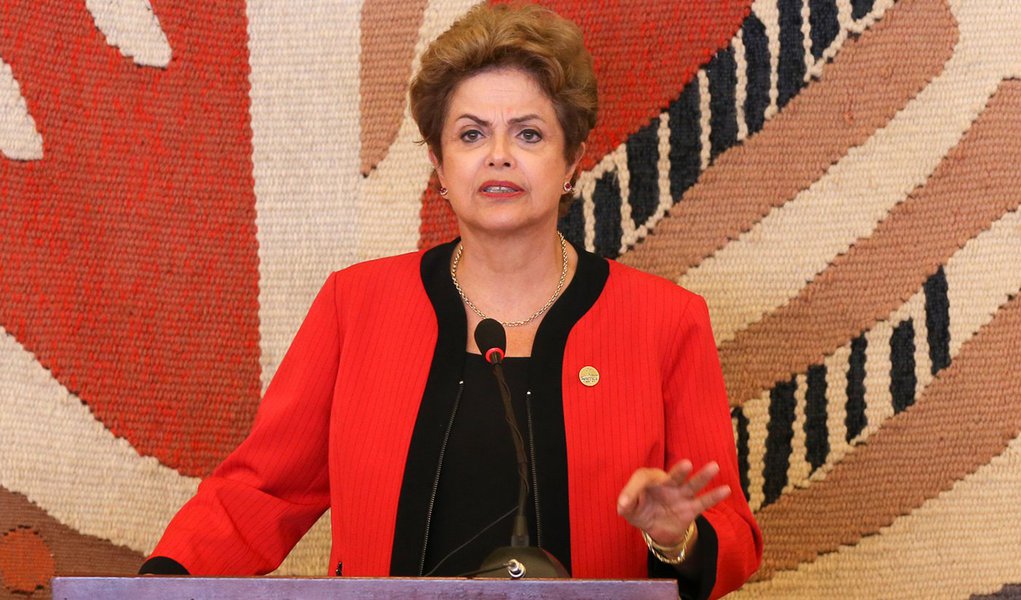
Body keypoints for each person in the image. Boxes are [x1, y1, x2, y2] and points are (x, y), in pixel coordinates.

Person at [141, 4, 762, 598]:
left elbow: (732, 536)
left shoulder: (665, 322)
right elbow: (260, 495)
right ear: (439, 163)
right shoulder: (354, 308)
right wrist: (153, 588)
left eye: (528, 133)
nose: (499, 155)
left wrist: (676, 536)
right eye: (471, 134)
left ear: (572, 160)